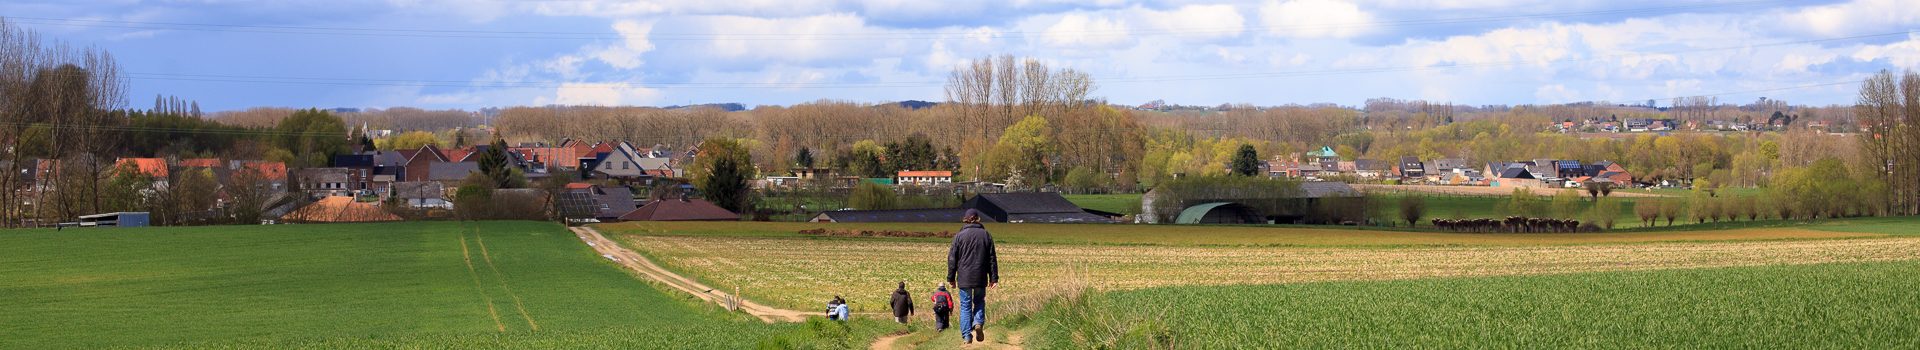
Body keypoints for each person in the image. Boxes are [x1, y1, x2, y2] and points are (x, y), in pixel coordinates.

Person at [947, 209, 998, 345]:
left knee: (965, 306)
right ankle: (978, 322)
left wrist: (951, 278)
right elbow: (992, 258)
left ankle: (966, 336)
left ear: (965, 219)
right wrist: (994, 278)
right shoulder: (986, 235)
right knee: (980, 301)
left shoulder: (959, 236)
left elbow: (952, 259)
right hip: (980, 276)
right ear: (978, 219)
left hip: (964, 277)